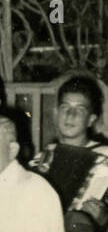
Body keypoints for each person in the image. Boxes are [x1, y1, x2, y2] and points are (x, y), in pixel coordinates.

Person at [31, 74, 108, 211]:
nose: (70, 115)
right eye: (65, 107)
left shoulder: (104, 157)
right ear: (56, 114)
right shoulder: (41, 159)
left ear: (91, 119)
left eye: (80, 109)